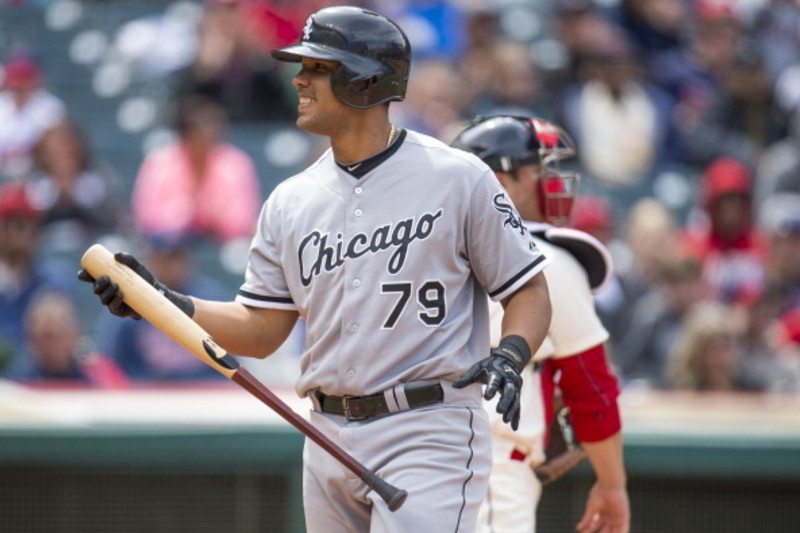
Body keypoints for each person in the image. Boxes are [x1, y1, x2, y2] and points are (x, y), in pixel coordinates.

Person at [78, 6, 552, 533]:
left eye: (318, 67)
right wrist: (161, 301)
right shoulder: (291, 200)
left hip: (428, 427)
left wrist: (511, 353)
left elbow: (528, 288)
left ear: (367, 79)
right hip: (327, 433)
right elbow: (260, 332)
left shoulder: (458, 178)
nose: (299, 78)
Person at [451, 115, 630, 533]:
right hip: (488, 468)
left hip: (415, 453)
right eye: (538, 169)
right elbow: (590, 386)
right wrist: (612, 486)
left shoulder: (426, 249)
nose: (553, 181)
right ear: (499, 183)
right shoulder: (546, 258)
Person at [131, 94, 260, 244]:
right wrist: (185, 214)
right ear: (185, 131)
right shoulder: (159, 163)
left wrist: (210, 215)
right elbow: (148, 219)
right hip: (171, 249)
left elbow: (242, 222)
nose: (209, 134)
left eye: (214, 126)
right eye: (200, 127)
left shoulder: (236, 163)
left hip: (222, 247)